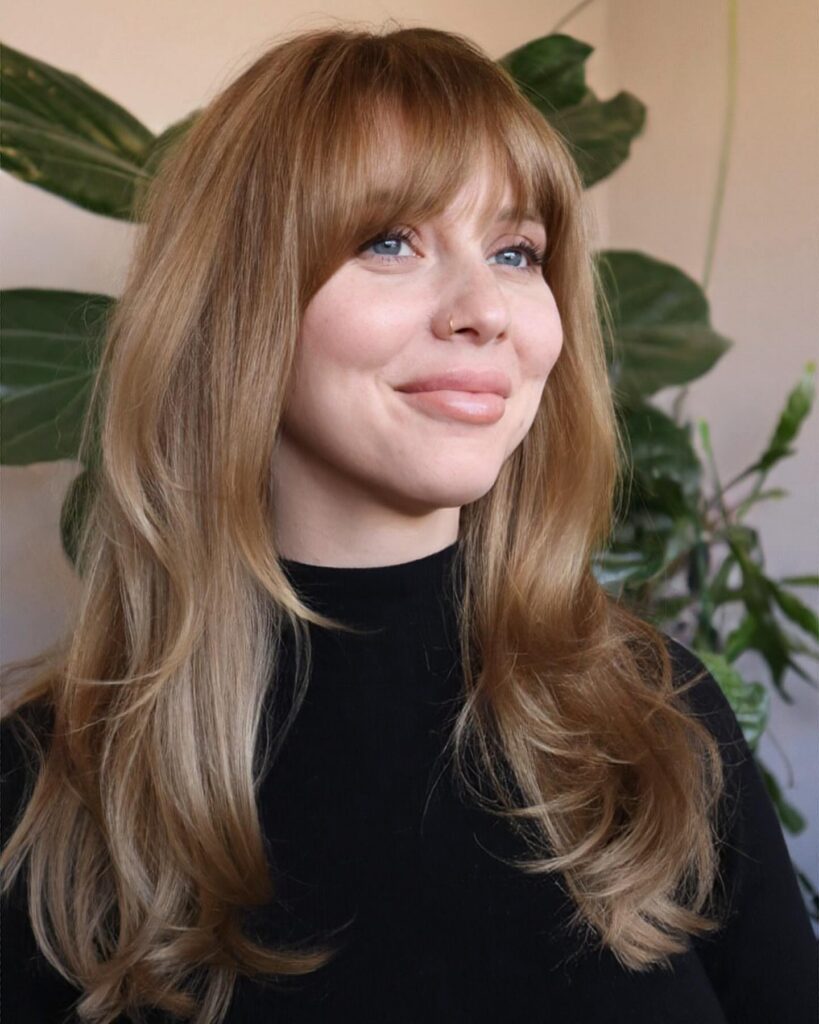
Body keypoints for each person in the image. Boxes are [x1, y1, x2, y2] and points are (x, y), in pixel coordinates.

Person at [1, 22, 816, 1024]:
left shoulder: (660, 724)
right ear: (235, 299)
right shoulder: (51, 792)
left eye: (518, 251)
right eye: (391, 240)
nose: (488, 309)